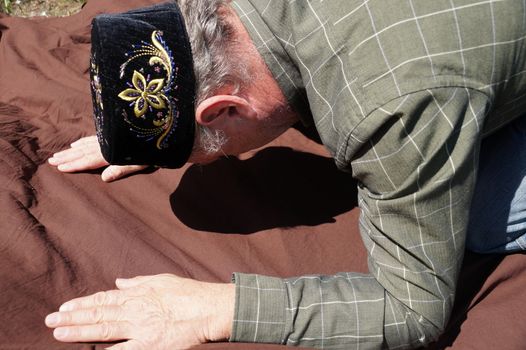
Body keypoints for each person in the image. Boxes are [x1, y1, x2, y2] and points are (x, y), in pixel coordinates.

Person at [44, 0, 526, 349]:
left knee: (481, 220)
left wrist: (215, 309)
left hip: (428, 67)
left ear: (223, 109)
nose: (216, 160)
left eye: (212, 153)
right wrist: (162, 129)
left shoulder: (383, 107)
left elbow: (412, 309)